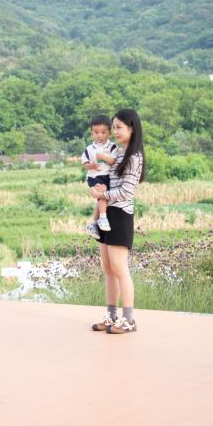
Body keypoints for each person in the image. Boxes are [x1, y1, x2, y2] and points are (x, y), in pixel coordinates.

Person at [89, 109, 145, 335]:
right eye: (114, 127)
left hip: (121, 215)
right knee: (109, 268)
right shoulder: (119, 154)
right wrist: (99, 189)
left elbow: (127, 192)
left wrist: (102, 195)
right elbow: (111, 184)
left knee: (120, 269)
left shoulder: (134, 157)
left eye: (119, 127)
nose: (115, 131)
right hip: (108, 214)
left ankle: (129, 319)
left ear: (132, 129)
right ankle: (111, 316)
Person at [81, 115, 120, 240]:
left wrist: (103, 157)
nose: (99, 135)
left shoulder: (113, 147)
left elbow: (113, 161)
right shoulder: (89, 149)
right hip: (95, 176)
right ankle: (102, 218)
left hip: (108, 177)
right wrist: (91, 165)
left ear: (109, 133)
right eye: (96, 132)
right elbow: (84, 164)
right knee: (102, 195)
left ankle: (93, 223)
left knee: (101, 198)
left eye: (103, 132)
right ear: (91, 134)